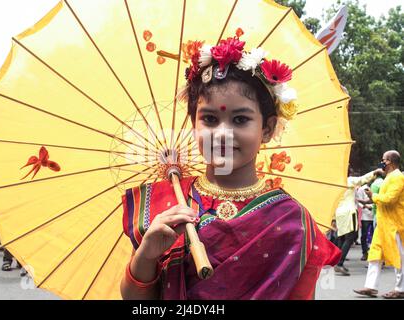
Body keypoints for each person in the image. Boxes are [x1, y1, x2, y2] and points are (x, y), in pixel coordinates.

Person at [120, 35, 341, 300]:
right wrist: (147, 252)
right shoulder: (165, 204)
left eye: (240, 119)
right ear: (194, 125)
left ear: (267, 128)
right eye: (210, 119)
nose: (223, 133)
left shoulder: (292, 221)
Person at [354, 151, 404, 299]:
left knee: (398, 256)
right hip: (382, 224)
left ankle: (400, 289)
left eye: (383, 160)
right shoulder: (388, 177)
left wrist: (373, 196)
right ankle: (371, 286)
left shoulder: (398, 177)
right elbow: (381, 200)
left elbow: (389, 199)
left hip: (394, 224)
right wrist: (370, 198)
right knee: (375, 255)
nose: (381, 162)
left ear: (389, 162)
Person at [334, 167, 383, 275]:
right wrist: (375, 172)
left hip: (339, 212)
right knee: (350, 237)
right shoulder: (349, 180)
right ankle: (339, 264)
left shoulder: (335, 182)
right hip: (349, 212)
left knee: (342, 237)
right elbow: (362, 179)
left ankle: (337, 262)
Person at [357, 184, 374, 261]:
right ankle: (365, 253)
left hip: (375, 215)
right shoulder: (362, 189)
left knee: (375, 236)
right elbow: (359, 201)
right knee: (364, 235)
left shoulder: (376, 185)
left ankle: (374, 254)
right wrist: (366, 206)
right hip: (365, 216)